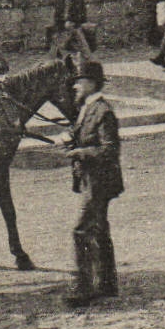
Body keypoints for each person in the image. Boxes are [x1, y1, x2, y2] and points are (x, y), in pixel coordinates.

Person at [65, 61, 123, 308]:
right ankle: (107, 284)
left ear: (91, 83)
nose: (75, 86)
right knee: (99, 229)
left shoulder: (103, 111)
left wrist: (80, 152)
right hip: (92, 179)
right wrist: (71, 141)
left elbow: (110, 150)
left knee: (81, 229)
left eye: (79, 81)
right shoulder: (87, 108)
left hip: (100, 180)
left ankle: (84, 286)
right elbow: (84, 135)